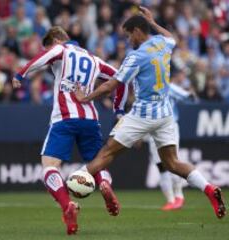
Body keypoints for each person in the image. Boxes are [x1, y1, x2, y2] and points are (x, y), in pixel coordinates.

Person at [75, 7, 226, 219]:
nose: (128, 40)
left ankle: (76, 184)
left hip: (142, 115)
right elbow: (170, 36)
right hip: (165, 115)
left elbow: (111, 86)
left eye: (129, 35)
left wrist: (85, 97)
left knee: (107, 152)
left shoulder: (135, 57)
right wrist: (153, 22)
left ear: (137, 31)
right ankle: (209, 189)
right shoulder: (162, 44)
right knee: (173, 163)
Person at [12, 26, 127, 235]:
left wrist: (21, 74)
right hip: (91, 119)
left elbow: (41, 58)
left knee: (49, 166)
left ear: (56, 41)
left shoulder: (60, 50)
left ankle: (67, 206)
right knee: (96, 163)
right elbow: (121, 79)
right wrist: (118, 108)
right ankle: (104, 185)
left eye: (48, 47)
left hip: (64, 118)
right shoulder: (94, 59)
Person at [148, 83, 197, 211]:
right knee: (160, 165)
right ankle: (170, 200)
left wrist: (190, 94)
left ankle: (179, 195)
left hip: (169, 126)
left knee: (173, 161)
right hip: (151, 128)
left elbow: (186, 96)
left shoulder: (167, 86)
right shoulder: (144, 86)